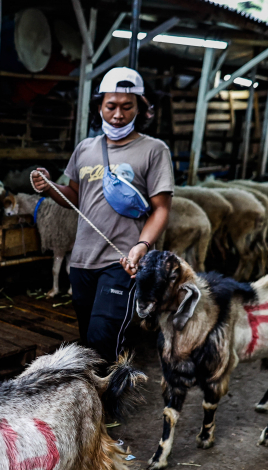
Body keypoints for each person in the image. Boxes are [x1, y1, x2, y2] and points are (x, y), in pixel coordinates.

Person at [30, 67, 172, 364]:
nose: (118, 114)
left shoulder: (153, 150)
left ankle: (108, 405)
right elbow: (74, 198)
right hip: (81, 261)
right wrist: (48, 187)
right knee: (87, 337)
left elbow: (161, 208)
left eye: (126, 106)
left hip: (122, 260)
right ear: (100, 107)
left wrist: (141, 246)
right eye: (111, 106)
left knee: (101, 338)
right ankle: (100, 399)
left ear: (140, 108)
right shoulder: (85, 149)